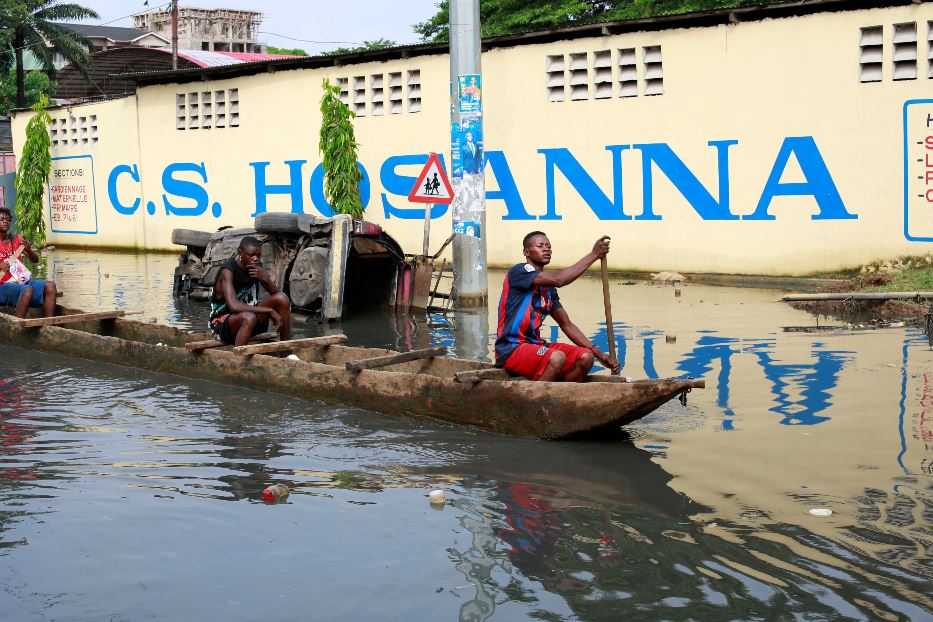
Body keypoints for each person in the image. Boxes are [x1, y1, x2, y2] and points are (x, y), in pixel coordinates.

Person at [495, 232, 620, 381]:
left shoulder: (548, 289)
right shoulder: (519, 271)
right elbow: (559, 279)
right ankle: (538, 397)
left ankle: (560, 395)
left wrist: (598, 354)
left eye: (548, 246)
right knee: (556, 357)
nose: (546, 249)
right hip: (511, 348)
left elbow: (566, 325)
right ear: (526, 252)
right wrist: (594, 255)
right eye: (540, 246)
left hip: (535, 346)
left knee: (586, 357)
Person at [209, 236, 292, 346]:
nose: (255, 259)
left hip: (251, 320)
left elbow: (277, 295)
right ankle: (238, 359)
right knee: (249, 317)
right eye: (251, 255)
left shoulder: (256, 268)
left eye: (258, 255)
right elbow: (234, 306)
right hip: (223, 324)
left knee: (282, 298)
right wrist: (269, 311)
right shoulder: (228, 270)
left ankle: (285, 349)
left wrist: (265, 278)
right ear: (240, 252)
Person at [0, 207, 56, 318]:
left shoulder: (16, 239)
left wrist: (29, 250)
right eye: (1, 219)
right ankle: (16, 328)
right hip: (2, 285)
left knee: (50, 286)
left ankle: (49, 326)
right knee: (28, 290)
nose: (5, 221)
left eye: (7, 219)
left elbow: (35, 260)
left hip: (20, 282)